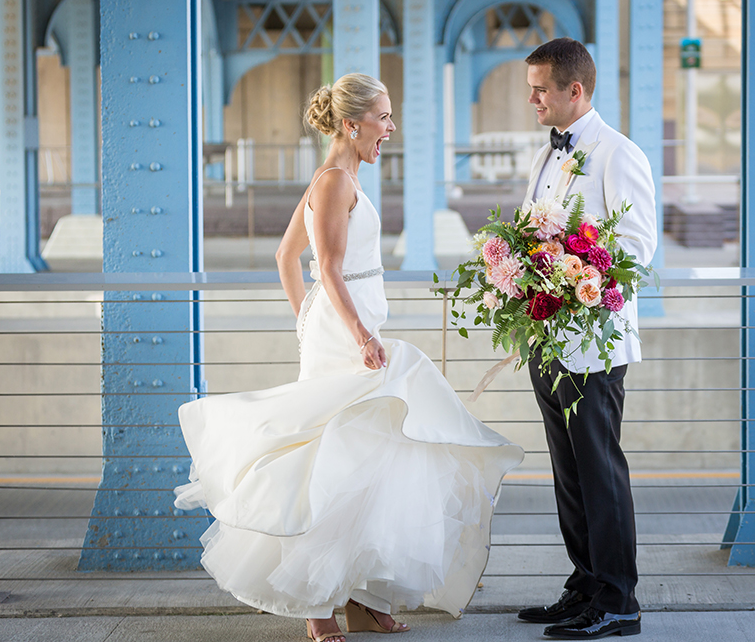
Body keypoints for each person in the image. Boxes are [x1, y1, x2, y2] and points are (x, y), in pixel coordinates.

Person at [174, 73, 523, 642]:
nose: (391, 128)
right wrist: (351, 332)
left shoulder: (340, 178)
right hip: (348, 337)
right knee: (335, 459)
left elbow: (289, 258)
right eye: (384, 117)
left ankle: (362, 597)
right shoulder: (335, 180)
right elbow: (326, 267)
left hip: (340, 326)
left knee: (374, 454)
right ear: (351, 122)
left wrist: (307, 317)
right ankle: (317, 604)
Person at [515, 38, 657, 640]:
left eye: (542, 88)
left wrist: (572, 273)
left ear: (575, 90)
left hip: (593, 347)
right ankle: (585, 586)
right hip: (547, 339)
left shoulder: (617, 154)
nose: (533, 98)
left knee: (600, 471)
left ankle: (619, 599)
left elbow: (637, 250)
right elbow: (531, 232)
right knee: (568, 473)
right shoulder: (544, 156)